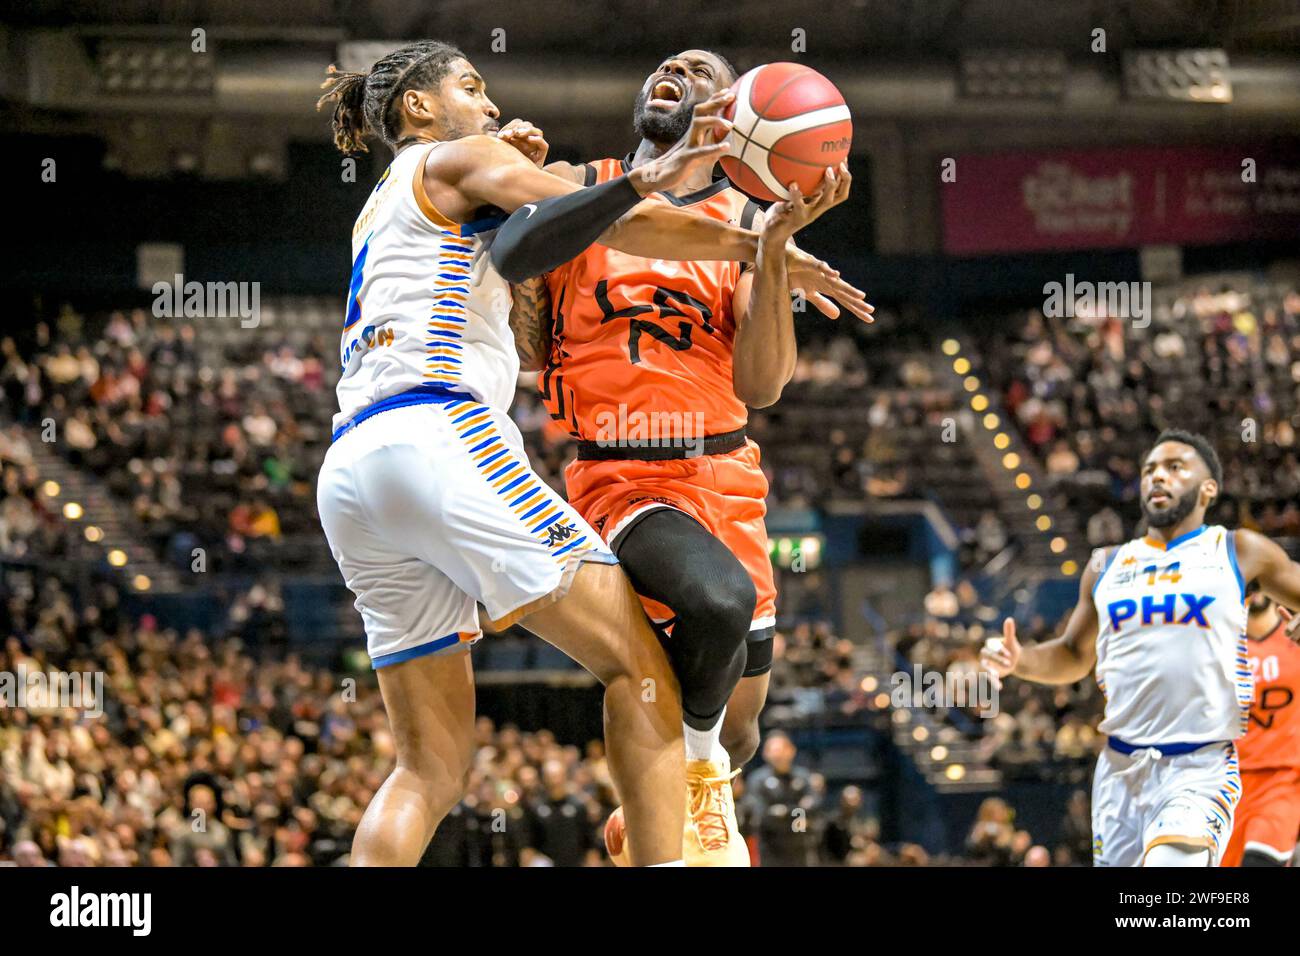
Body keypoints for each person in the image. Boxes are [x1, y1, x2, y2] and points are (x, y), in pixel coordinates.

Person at [313, 39, 838, 866]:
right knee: (645, 674)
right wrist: (683, 207)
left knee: (429, 769)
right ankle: (665, 843)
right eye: (473, 88)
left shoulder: (380, 201)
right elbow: (556, 240)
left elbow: (759, 378)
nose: (490, 107)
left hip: (354, 463)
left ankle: (689, 791)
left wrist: (761, 246)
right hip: (464, 438)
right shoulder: (507, 164)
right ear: (420, 107)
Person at [489, 48, 869, 866]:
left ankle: (667, 801)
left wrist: (768, 253)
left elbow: (763, 385)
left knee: (741, 720)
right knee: (716, 602)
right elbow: (512, 258)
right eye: (669, 65)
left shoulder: (748, 217)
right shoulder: (578, 179)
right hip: (621, 471)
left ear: (736, 116)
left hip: (727, 473)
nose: (676, 68)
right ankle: (686, 784)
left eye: (702, 71)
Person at [983, 429, 1300, 866]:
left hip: (1199, 767)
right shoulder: (1105, 565)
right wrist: (1020, 660)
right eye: (1150, 468)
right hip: (1119, 769)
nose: (1158, 477)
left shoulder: (1238, 550)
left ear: (1208, 488)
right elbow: (1073, 654)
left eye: (1175, 467)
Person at [1220, 584, 1300, 866]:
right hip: (1223, 783)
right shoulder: (1217, 642)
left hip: (1282, 781)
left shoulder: (1295, 635)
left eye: (1260, 579)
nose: (1254, 587)